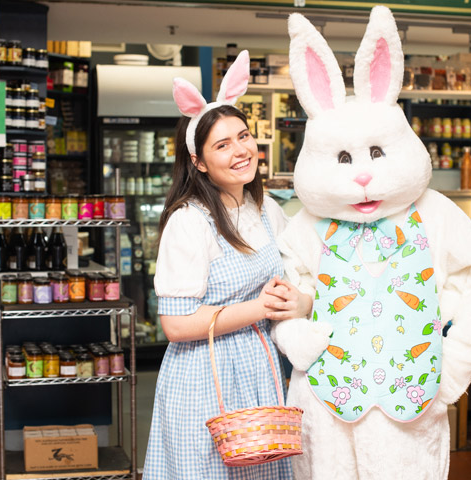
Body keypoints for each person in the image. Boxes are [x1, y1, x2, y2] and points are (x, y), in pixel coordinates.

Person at [142, 51, 312, 479]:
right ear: (198, 162)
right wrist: (262, 309)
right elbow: (176, 325)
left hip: (260, 369)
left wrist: (299, 301)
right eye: (222, 144)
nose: (241, 150)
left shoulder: (265, 207)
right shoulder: (189, 221)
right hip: (204, 377)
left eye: (244, 136)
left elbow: (298, 277)